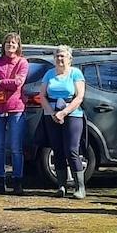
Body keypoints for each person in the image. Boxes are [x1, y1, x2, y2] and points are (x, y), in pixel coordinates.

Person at [38, 46, 88, 198]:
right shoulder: (49, 74)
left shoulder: (76, 73)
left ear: (69, 58)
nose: (60, 59)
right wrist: (53, 113)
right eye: (58, 56)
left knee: (71, 150)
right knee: (57, 149)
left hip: (73, 115)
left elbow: (79, 97)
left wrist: (64, 112)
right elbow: (42, 95)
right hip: (51, 115)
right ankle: (61, 186)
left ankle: (80, 187)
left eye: (63, 56)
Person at [0, 32, 29, 195]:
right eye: (8, 43)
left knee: (16, 148)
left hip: (16, 109)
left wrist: (0, 82)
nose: (10, 45)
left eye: (13, 43)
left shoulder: (22, 63)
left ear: (18, 46)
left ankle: (17, 181)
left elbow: (18, 83)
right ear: (3, 46)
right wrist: (3, 85)